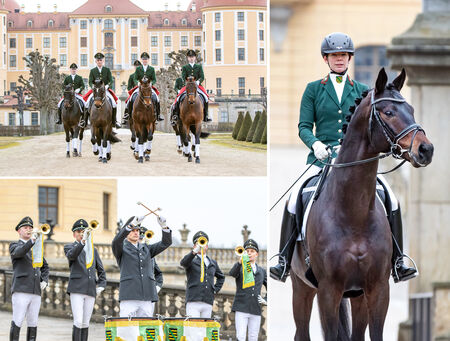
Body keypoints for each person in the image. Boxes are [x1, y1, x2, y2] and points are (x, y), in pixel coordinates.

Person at [269, 32, 417, 284]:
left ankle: (399, 260)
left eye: (343, 55)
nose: (339, 59)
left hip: (357, 163)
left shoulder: (362, 91)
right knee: (295, 199)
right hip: (322, 160)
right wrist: (315, 144)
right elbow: (304, 126)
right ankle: (283, 260)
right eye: (334, 55)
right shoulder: (313, 89)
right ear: (326, 59)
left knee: (391, 199)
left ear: (349, 58)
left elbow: (374, 125)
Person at [112, 215, 171, 318]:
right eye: (133, 230)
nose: (136, 232)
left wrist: (164, 226)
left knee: (145, 329)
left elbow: (166, 243)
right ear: (126, 233)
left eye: (137, 230)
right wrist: (130, 225)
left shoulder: (146, 249)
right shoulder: (121, 248)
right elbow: (116, 241)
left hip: (147, 296)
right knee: (127, 329)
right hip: (129, 296)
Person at [64, 219, 106, 341]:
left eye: (84, 231)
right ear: (74, 234)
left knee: (86, 322)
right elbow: (72, 256)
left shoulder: (93, 250)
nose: (81, 233)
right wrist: (82, 242)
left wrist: (101, 284)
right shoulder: (69, 246)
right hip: (77, 288)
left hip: (90, 289)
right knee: (78, 320)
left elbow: (101, 269)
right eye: (78, 232)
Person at [9, 216, 49, 341]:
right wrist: (32, 241)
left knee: (33, 323)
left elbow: (45, 266)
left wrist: (45, 280)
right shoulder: (14, 245)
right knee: (18, 320)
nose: (28, 229)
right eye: (25, 228)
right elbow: (19, 253)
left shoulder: (36, 249)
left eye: (30, 228)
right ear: (19, 231)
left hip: (35, 290)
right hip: (21, 289)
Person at [180, 231, 225, 318]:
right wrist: (194, 252)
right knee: (194, 327)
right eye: (198, 243)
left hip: (207, 300)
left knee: (204, 329)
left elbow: (221, 277)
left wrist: (214, 290)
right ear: (194, 246)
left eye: (203, 243)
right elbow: (183, 263)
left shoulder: (213, 262)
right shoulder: (191, 260)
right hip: (193, 300)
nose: (201, 245)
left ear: (207, 246)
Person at [229, 239, 267, 341]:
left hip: (255, 308)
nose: (249, 253)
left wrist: (266, 299)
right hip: (241, 307)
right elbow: (232, 273)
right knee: (240, 336)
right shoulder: (240, 267)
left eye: (252, 251)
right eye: (247, 251)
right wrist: (239, 262)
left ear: (257, 254)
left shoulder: (262, 271)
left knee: (253, 337)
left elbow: (269, 286)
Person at [80, 52, 120, 129]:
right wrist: (93, 87)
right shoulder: (93, 70)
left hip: (105, 90)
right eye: (98, 60)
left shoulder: (107, 70)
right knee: (87, 103)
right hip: (96, 91)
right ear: (96, 61)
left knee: (114, 103)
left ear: (103, 61)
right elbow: (90, 81)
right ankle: (84, 121)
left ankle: (114, 121)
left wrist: (108, 85)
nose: (99, 61)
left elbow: (111, 80)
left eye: (100, 60)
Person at [123, 52, 163, 123]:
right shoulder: (138, 69)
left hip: (149, 88)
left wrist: (151, 83)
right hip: (140, 87)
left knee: (157, 99)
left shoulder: (151, 69)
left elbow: (154, 79)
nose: (145, 60)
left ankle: (158, 115)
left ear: (148, 60)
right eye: (143, 59)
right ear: (142, 60)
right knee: (131, 98)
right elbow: (135, 78)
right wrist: (138, 83)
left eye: (146, 59)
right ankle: (127, 114)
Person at [172, 50, 212, 122]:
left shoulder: (199, 67)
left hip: (197, 86)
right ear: (187, 58)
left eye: (192, 57)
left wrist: (198, 81)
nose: (191, 58)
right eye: (190, 57)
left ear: (195, 58)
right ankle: (176, 115)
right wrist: (187, 82)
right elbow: (183, 77)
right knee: (178, 98)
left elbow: (202, 77)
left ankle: (206, 115)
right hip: (187, 86)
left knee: (206, 98)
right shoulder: (185, 67)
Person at [139, 226, 163, 314]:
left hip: (149, 294)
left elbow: (158, 273)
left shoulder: (150, 255)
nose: (141, 241)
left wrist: (158, 286)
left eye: (143, 239)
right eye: (140, 238)